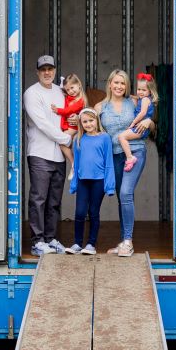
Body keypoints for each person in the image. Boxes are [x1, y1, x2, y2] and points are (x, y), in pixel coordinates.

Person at [96, 69, 153, 256]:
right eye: (116, 82)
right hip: (114, 156)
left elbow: (151, 119)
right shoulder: (100, 107)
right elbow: (90, 129)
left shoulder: (135, 101)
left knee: (126, 193)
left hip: (135, 152)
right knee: (123, 198)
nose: (119, 86)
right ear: (110, 84)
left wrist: (150, 122)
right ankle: (123, 242)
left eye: (123, 83)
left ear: (127, 86)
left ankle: (128, 242)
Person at [23, 54, 72, 256]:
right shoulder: (31, 93)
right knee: (39, 199)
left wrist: (74, 123)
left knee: (54, 201)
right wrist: (66, 139)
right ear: (37, 72)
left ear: (54, 71)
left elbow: (70, 112)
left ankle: (51, 239)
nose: (47, 72)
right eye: (43, 69)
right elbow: (42, 123)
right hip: (40, 153)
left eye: (50, 69)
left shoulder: (60, 91)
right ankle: (38, 241)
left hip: (59, 155)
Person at [65, 108, 115, 254]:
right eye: (85, 121)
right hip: (83, 181)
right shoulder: (78, 139)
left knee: (93, 212)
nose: (88, 124)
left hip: (99, 181)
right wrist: (74, 183)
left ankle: (91, 244)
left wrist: (109, 186)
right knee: (80, 212)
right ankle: (77, 243)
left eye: (91, 120)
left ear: (97, 120)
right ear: (81, 123)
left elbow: (109, 163)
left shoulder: (105, 138)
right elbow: (76, 164)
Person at [117, 73, 158, 169]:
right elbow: (138, 98)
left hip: (139, 127)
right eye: (139, 89)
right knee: (122, 137)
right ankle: (129, 158)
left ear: (150, 91)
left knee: (121, 137)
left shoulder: (145, 100)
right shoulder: (144, 98)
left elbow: (143, 113)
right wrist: (132, 96)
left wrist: (133, 123)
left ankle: (130, 157)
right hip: (142, 128)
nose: (140, 92)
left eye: (144, 90)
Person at [54, 74, 86, 174]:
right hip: (69, 126)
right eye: (68, 90)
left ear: (79, 85)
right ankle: (74, 164)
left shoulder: (81, 101)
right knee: (67, 144)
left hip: (74, 127)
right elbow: (64, 97)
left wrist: (57, 110)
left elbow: (69, 110)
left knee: (61, 142)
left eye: (72, 88)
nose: (71, 91)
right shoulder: (70, 97)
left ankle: (73, 163)